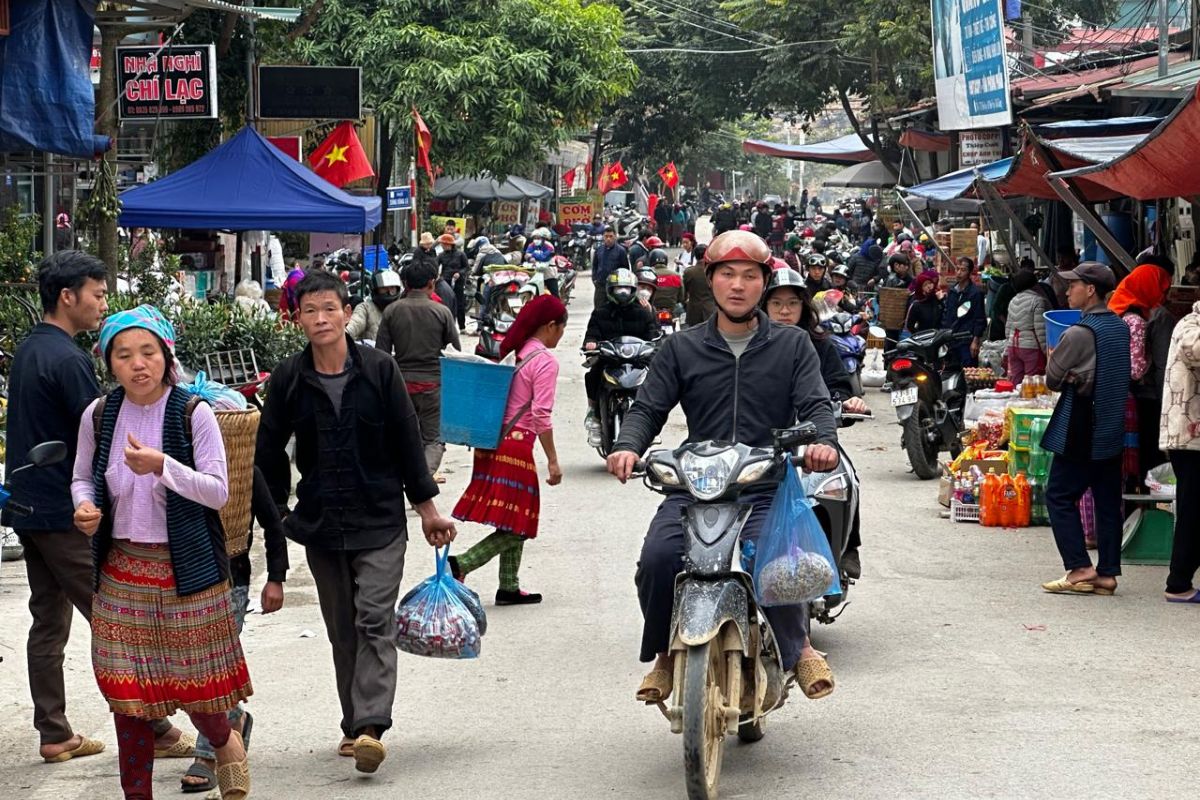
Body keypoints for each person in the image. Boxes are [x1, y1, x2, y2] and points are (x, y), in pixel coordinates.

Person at [606, 230, 839, 705]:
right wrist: (627, 446)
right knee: (658, 560)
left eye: (749, 276)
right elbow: (648, 408)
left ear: (764, 284)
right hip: (696, 485)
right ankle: (665, 656)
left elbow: (816, 405)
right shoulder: (680, 347)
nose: (737, 285)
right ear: (710, 280)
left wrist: (823, 442)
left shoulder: (793, 345)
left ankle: (800, 648)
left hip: (764, 483)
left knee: (777, 563)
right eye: (727, 274)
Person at [255, 270, 456, 774]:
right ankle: (353, 726)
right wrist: (277, 515)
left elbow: (407, 440)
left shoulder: (380, 370)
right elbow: (268, 453)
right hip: (322, 524)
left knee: (373, 619)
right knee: (343, 631)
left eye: (330, 309)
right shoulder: (288, 379)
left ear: (347, 314)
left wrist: (427, 509)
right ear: (297, 318)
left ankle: (371, 726)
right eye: (310, 310)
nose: (321, 318)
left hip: (381, 519)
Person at [72, 305, 250, 800]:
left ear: (167, 355)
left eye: (148, 352)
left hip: (186, 572)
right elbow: (82, 476)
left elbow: (217, 491)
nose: (138, 364)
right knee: (127, 699)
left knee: (199, 692)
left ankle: (224, 739)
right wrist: (84, 505)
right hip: (121, 572)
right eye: (124, 355)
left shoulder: (194, 413)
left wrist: (162, 466)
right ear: (109, 362)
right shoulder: (99, 414)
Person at [2, 251, 120, 765]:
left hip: (29, 506)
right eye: (97, 294)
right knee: (114, 618)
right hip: (63, 511)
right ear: (68, 297)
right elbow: (102, 432)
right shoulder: (68, 359)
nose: (103, 303)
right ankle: (156, 726)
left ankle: (54, 733)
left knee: (48, 621)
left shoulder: (31, 348)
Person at [449, 295, 567, 604]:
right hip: (515, 448)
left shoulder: (516, 352)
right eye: (561, 329)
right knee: (520, 526)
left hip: (492, 441)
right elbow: (541, 416)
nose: (561, 336)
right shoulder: (544, 361)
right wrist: (553, 460)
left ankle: (509, 586)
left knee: (514, 517)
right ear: (551, 326)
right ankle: (461, 563)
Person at [181, 464, 288, 793]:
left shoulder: (243, 471)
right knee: (191, 669)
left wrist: (276, 578)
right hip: (185, 583)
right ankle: (234, 718)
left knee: (212, 667)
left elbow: (273, 524)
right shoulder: (177, 469)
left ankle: (206, 755)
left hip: (232, 581)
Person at [1040, 263, 1129, 597]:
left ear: (1090, 290)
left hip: (1082, 424)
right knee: (1107, 502)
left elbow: (1052, 379)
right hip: (1111, 424)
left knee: (1059, 495)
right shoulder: (1120, 327)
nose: (1067, 291)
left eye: (1073, 285)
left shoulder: (1079, 333)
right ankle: (1107, 573)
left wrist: (1057, 361)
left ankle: (1079, 567)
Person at [376, 260, 462, 482]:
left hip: (400, 385)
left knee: (402, 438)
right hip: (433, 385)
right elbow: (455, 353)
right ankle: (420, 482)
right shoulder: (441, 312)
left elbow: (381, 354)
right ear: (432, 283)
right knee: (433, 439)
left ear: (405, 284)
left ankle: (407, 480)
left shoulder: (391, 311)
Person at [1109, 257, 1174, 490]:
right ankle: (1146, 502)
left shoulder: (1116, 307)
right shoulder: (1156, 316)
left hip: (1119, 396)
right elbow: (1163, 364)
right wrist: (1167, 406)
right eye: (1164, 288)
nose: (1166, 295)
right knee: (1147, 454)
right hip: (1146, 397)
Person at [583, 269, 659, 440]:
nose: (623, 292)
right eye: (619, 288)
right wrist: (591, 343)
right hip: (609, 359)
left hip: (637, 360)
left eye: (627, 288)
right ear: (610, 289)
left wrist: (654, 346)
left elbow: (653, 335)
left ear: (633, 290)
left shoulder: (643, 312)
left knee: (653, 380)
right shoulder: (600, 312)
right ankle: (593, 414)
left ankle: (649, 421)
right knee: (593, 375)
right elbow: (592, 333)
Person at [1159, 299, 1200, 602]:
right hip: (1190, 437)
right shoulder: (1190, 324)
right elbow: (1194, 350)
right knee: (1193, 510)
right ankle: (1178, 583)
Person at [1004, 269, 1049, 384]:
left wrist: (1007, 349)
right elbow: (1040, 330)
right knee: (1032, 382)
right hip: (1030, 347)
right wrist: (1047, 352)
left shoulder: (1013, 300)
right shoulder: (1037, 301)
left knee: (1016, 381)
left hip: (1013, 346)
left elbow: (1008, 328)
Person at [941, 257, 987, 366]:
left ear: (969, 272)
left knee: (968, 371)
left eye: (963, 270)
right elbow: (947, 314)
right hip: (951, 339)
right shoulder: (952, 291)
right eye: (957, 269)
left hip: (967, 340)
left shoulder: (975, 293)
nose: (959, 273)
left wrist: (975, 340)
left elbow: (979, 318)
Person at [347, 270, 401, 342]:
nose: (389, 291)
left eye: (392, 287)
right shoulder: (365, 308)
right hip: (373, 349)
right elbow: (353, 327)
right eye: (384, 288)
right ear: (375, 289)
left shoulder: (402, 309)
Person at [591, 226, 630, 308]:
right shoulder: (599, 250)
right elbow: (595, 266)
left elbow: (625, 269)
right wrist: (594, 278)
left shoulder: (621, 251)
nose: (608, 239)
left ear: (615, 237)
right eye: (606, 236)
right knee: (599, 308)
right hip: (601, 285)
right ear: (603, 237)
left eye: (611, 236)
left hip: (615, 286)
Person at [438, 233, 470, 333]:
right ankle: (448, 327)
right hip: (445, 282)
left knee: (460, 304)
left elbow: (466, 267)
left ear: (449, 244)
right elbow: (435, 265)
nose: (442, 246)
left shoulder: (461, 254)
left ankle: (462, 327)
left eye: (443, 244)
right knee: (446, 304)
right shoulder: (441, 255)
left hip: (458, 282)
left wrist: (459, 273)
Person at [682, 243, 715, 327]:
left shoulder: (689, 272)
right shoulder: (713, 271)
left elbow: (683, 293)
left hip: (693, 311)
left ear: (695, 256)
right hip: (711, 310)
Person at [905, 269, 943, 334]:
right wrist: (919, 335)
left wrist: (942, 300)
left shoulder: (937, 299)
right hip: (923, 337)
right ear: (920, 288)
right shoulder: (916, 304)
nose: (929, 286)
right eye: (925, 285)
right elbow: (909, 326)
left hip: (938, 336)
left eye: (930, 283)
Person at [648, 248, 684, 313]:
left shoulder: (648, 275)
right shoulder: (677, 276)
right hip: (671, 309)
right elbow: (681, 297)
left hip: (653, 309)